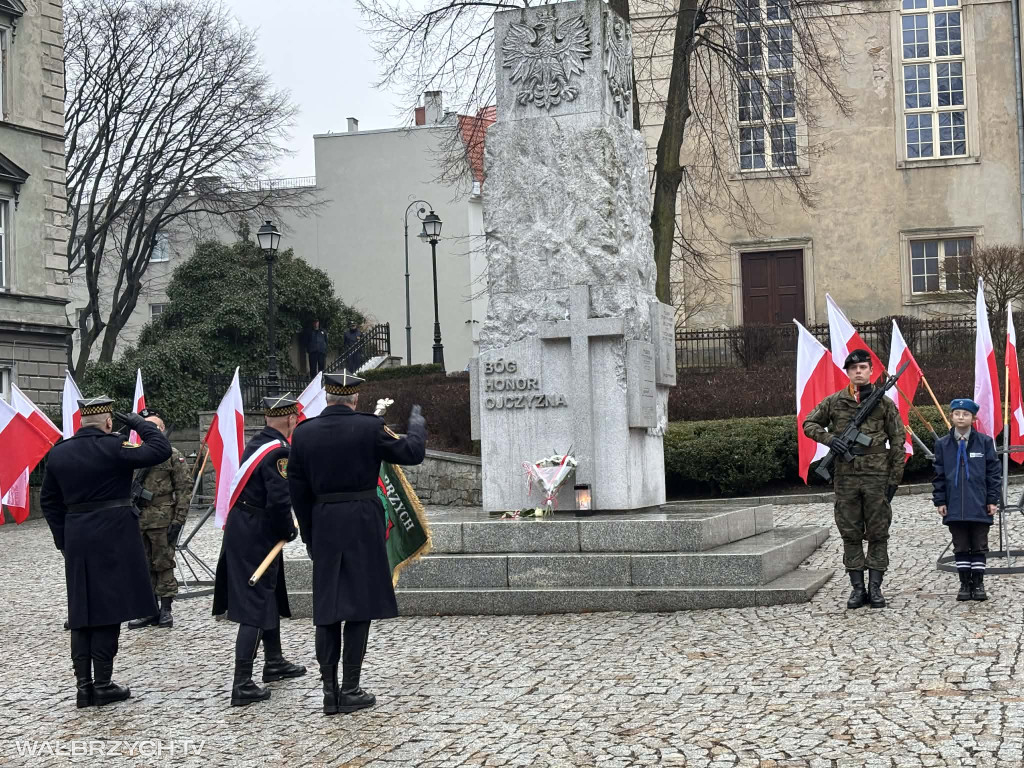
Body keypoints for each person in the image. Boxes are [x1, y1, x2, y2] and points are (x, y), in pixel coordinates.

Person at [288, 372, 426, 715]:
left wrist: (309, 534)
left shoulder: (303, 434)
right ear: (355, 400)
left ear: (328, 399)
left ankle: (328, 691)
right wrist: (418, 423)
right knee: (358, 607)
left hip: (323, 521)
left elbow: (297, 490)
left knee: (328, 610)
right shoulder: (368, 427)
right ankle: (350, 687)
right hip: (362, 522)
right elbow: (412, 453)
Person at [40, 397, 172, 708]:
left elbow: (49, 502)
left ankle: (83, 687)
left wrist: (63, 540)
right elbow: (160, 449)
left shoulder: (60, 453)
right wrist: (138, 422)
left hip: (77, 536)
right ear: (109, 422)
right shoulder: (115, 447)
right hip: (113, 534)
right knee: (108, 609)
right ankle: (102, 684)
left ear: (80, 422)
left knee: (82, 611)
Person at [212, 395, 306, 707]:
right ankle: (242, 682)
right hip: (256, 531)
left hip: (247, 526)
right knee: (255, 599)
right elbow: (279, 500)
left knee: (269, 592)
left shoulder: (259, 442)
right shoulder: (279, 450)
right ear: (291, 420)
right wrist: (288, 530)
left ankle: (274, 661)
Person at [802, 349, 905, 610]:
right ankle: (857, 589)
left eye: (863, 367)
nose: (858, 372)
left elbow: (898, 441)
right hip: (845, 476)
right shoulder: (835, 401)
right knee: (850, 532)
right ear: (847, 372)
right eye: (854, 368)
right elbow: (809, 424)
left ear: (871, 371)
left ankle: (876, 588)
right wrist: (830, 440)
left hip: (876, 475)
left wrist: (894, 479)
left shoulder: (884, 404)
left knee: (879, 532)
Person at [127, 408, 192, 629]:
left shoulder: (172, 454)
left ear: (162, 430)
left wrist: (179, 520)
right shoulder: (136, 453)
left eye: (153, 427)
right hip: (138, 518)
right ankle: (148, 610)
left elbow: (184, 488)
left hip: (163, 517)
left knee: (163, 564)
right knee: (142, 566)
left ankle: (166, 610)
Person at [932, 398, 1001, 602]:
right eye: (957, 413)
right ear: (951, 416)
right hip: (954, 505)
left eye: (966, 414)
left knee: (979, 544)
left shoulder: (985, 442)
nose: (961, 417)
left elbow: (993, 474)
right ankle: (964, 583)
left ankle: (978, 583)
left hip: (979, 504)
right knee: (960, 545)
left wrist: (992, 500)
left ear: (973, 418)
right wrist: (940, 500)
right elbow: (939, 475)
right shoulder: (943, 444)